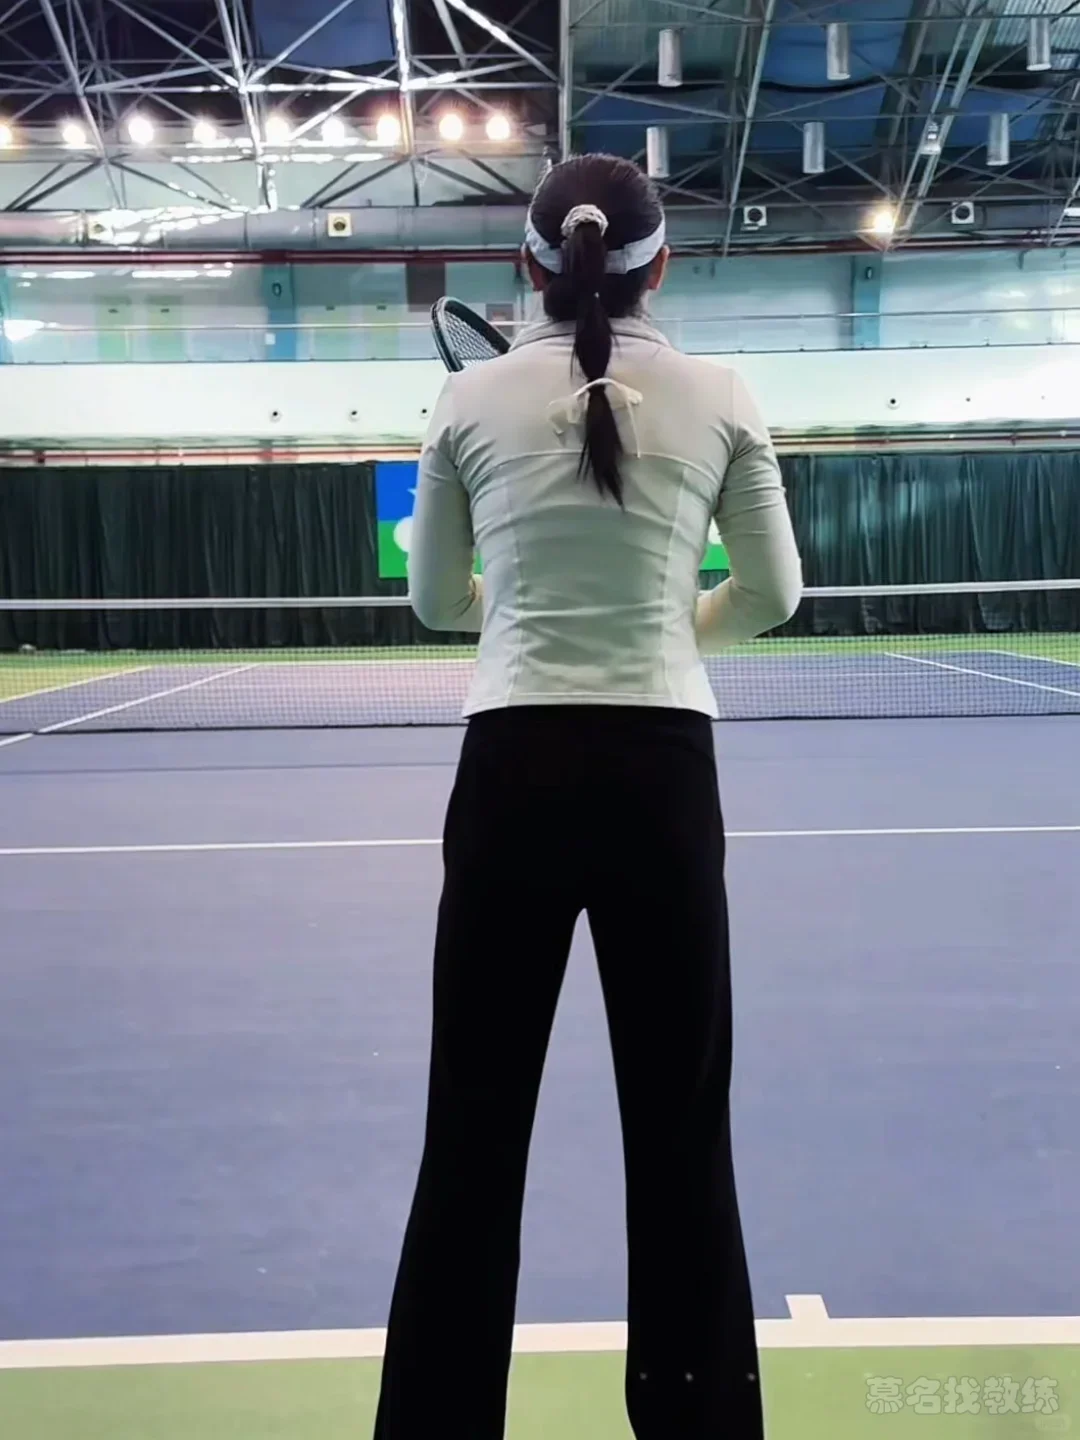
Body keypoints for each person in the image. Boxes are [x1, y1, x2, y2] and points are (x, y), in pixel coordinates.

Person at [374, 153, 802, 1440]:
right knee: (681, 1133)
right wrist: (666, 630)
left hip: (510, 778)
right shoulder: (724, 395)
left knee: (471, 1127)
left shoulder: (467, 400)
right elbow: (775, 594)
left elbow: (435, 604)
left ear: (531, 264)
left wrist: (526, 613)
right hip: (663, 779)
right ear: (659, 265)